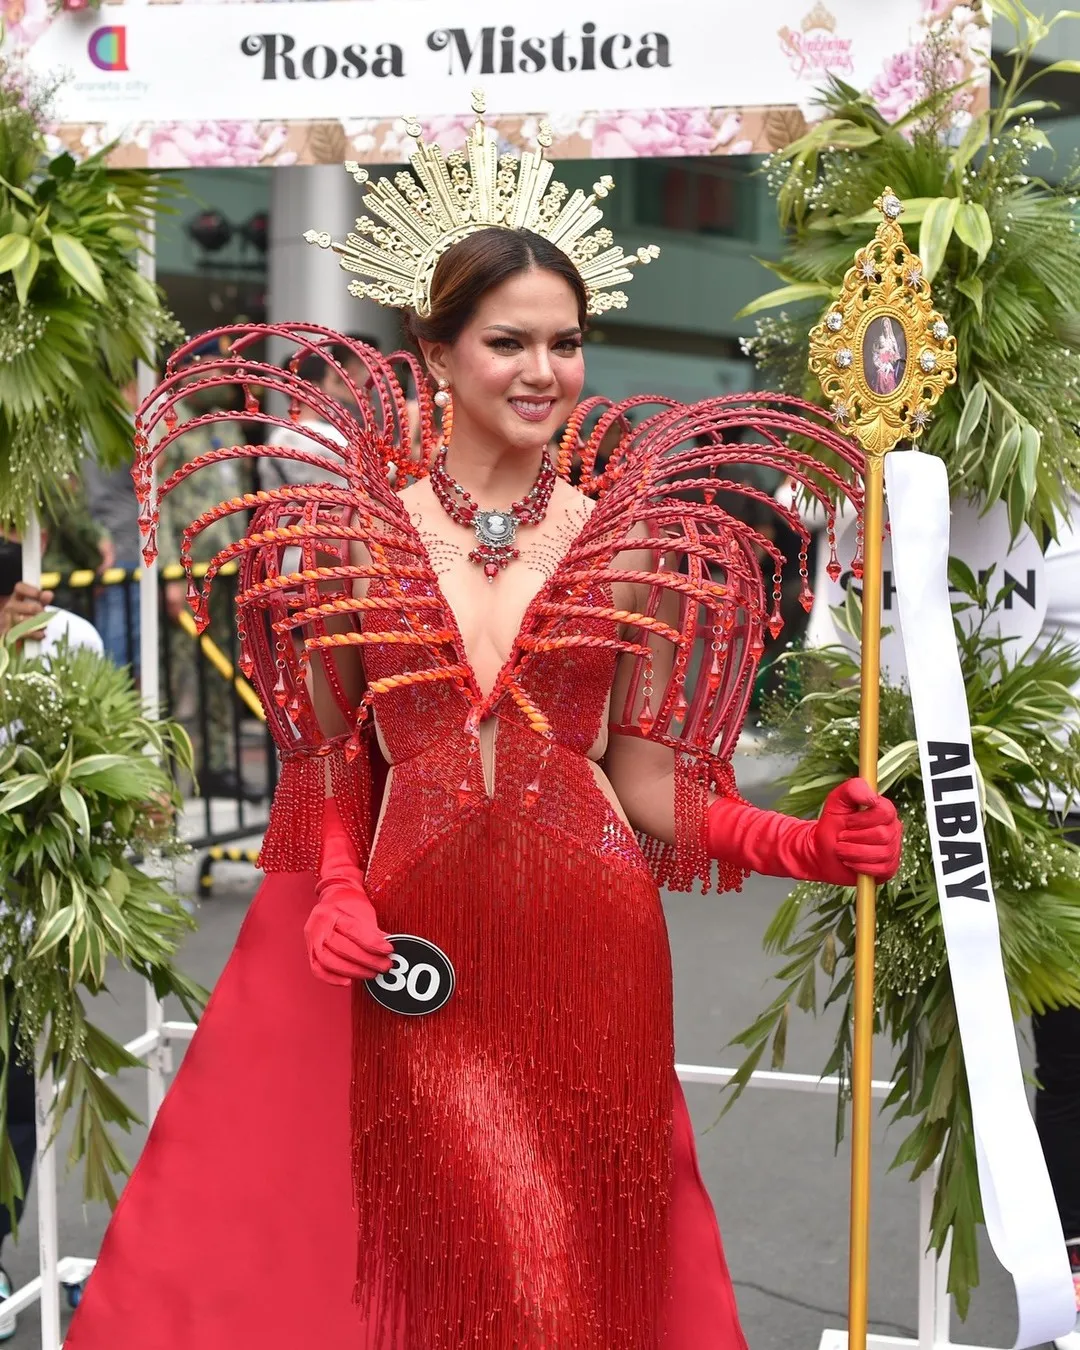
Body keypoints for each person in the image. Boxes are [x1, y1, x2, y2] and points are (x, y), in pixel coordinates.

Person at [66, 111, 901, 1350]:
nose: (542, 370)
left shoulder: (633, 547)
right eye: (508, 340)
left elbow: (653, 789)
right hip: (418, 952)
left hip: (594, 949)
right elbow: (335, 765)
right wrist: (338, 888)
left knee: (578, 1259)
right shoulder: (351, 539)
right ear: (438, 352)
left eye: (565, 343)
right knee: (445, 1256)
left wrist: (805, 845)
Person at [0, 560, 102, 1342]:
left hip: (25, 926)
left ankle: (1, 1250)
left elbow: (107, 771)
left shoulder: (67, 641)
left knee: (13, 1096)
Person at [85, 379, 143, 674]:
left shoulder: (86, 431)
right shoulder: (130, 430)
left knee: (109, 644)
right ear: (132, 387)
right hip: (127, 545)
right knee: (127, 647)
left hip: (99, 545)